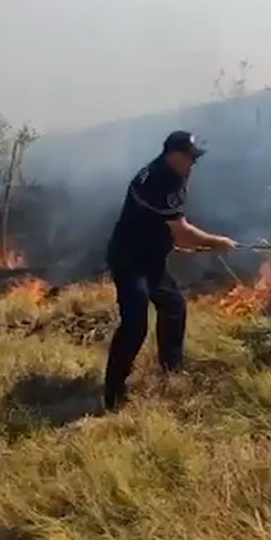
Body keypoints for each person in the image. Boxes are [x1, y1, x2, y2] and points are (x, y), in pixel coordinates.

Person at [102, 131, 238, 411]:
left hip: (150, 257)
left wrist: (171, 242)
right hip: (129, 261)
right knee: (135, 324)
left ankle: (171, 371)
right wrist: (218, 242)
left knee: (173, 305)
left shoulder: (171, 173)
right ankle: (113, 393)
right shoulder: (159, 180)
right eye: (190, 158)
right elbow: (182, 230)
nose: (193, 164)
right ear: (174, 155)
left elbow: (164, 224)